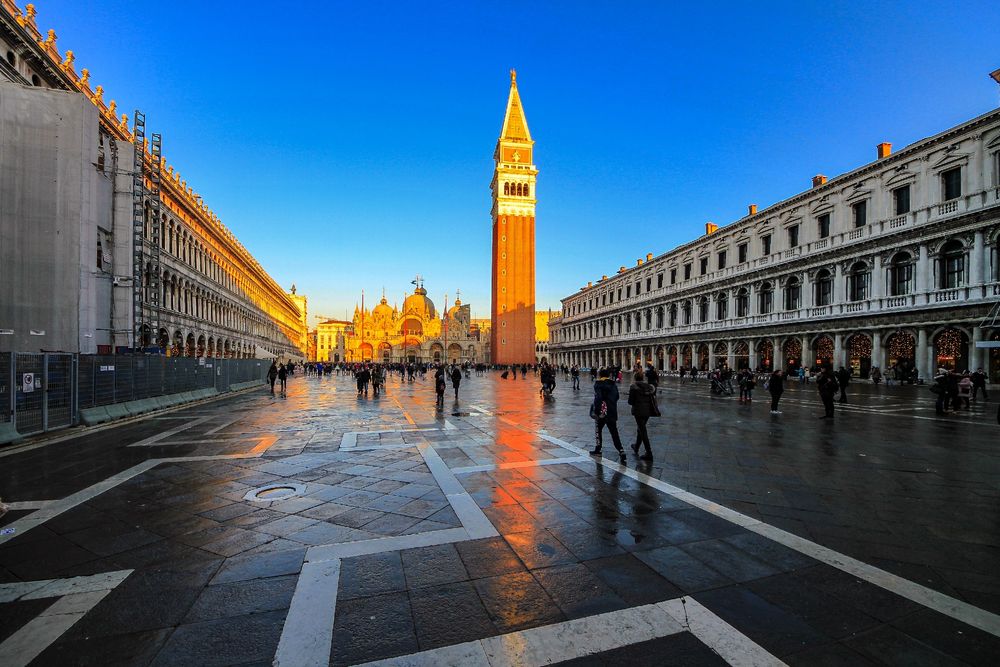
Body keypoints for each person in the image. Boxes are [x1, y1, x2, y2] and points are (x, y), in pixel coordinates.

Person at [590, 368, 626, 464]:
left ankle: (598, 449)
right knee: (614, 432)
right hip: (612, 411)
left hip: (602, 412)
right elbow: (617, 396)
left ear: (600, 375)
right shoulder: (613, 384)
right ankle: (621, 450)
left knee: (598, 430)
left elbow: (598, 398)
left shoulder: (598, 384)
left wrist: (597, 411)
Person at [627, 370, 656, 461]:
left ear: (635, 378)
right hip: (647, 411)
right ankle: (636, 446)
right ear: (643, 378)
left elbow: (630, 401)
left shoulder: (633, 387)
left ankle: (649, 452)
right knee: (641, 428)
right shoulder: (649, 387)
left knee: (643, 431)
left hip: (638, 411)